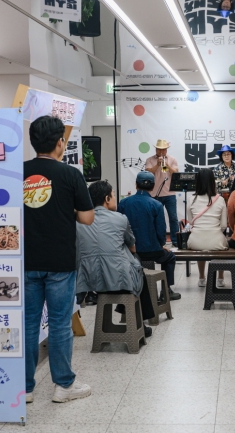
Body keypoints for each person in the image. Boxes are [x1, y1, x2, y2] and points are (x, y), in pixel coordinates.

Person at [23, 115, 94, 404]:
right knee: (60, 324)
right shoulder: (70, 175)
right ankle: (63, 385)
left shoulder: (18, 172)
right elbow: (88, 218)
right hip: (60, 262)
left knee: (28, 324)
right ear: (59, 143)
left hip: (25, 260)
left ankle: (24, 388)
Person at [75, 181, 154, 338]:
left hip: (89, 282)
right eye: (113, 195)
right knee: (136, 265)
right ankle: (140, 321)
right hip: (119, 280)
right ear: (107, 198)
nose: (114, 198)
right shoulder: (120, 219)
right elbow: (132, 246)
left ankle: (125, 310)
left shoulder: (78, 220)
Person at [118, 171, 181, 301]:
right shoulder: (156, 204)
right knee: (169, 258)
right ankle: (166, 290)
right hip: (152, 251)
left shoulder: (123, 203)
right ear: (153, 187)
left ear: (136, 185)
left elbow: (119, 228)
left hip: (130, 252)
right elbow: (161, 230)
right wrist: (161, 245)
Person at [187, 169, 229, 287]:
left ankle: (201, 277)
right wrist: (214, 232)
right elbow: (224, 225)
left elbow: (191, 222)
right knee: (220, 244)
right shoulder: (220, 199)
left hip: (195, 241)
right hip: (216, 240)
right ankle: (220, 278)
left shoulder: (191, 199)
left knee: (201, 244)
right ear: (212, 182)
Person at [144, 139, 180, 248]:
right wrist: (157, 165)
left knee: (173, 217)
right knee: (158, 218)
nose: (161, 152)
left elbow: (176, 173)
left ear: (166, 150)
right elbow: (147, 172)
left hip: (169, 193)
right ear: (156, 149)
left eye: (163, 150)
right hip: (155, 194)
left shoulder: (172, 159)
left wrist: (166, 165)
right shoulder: (150, 160)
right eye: (159, 149)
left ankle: (175, 240)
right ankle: (160, 240)